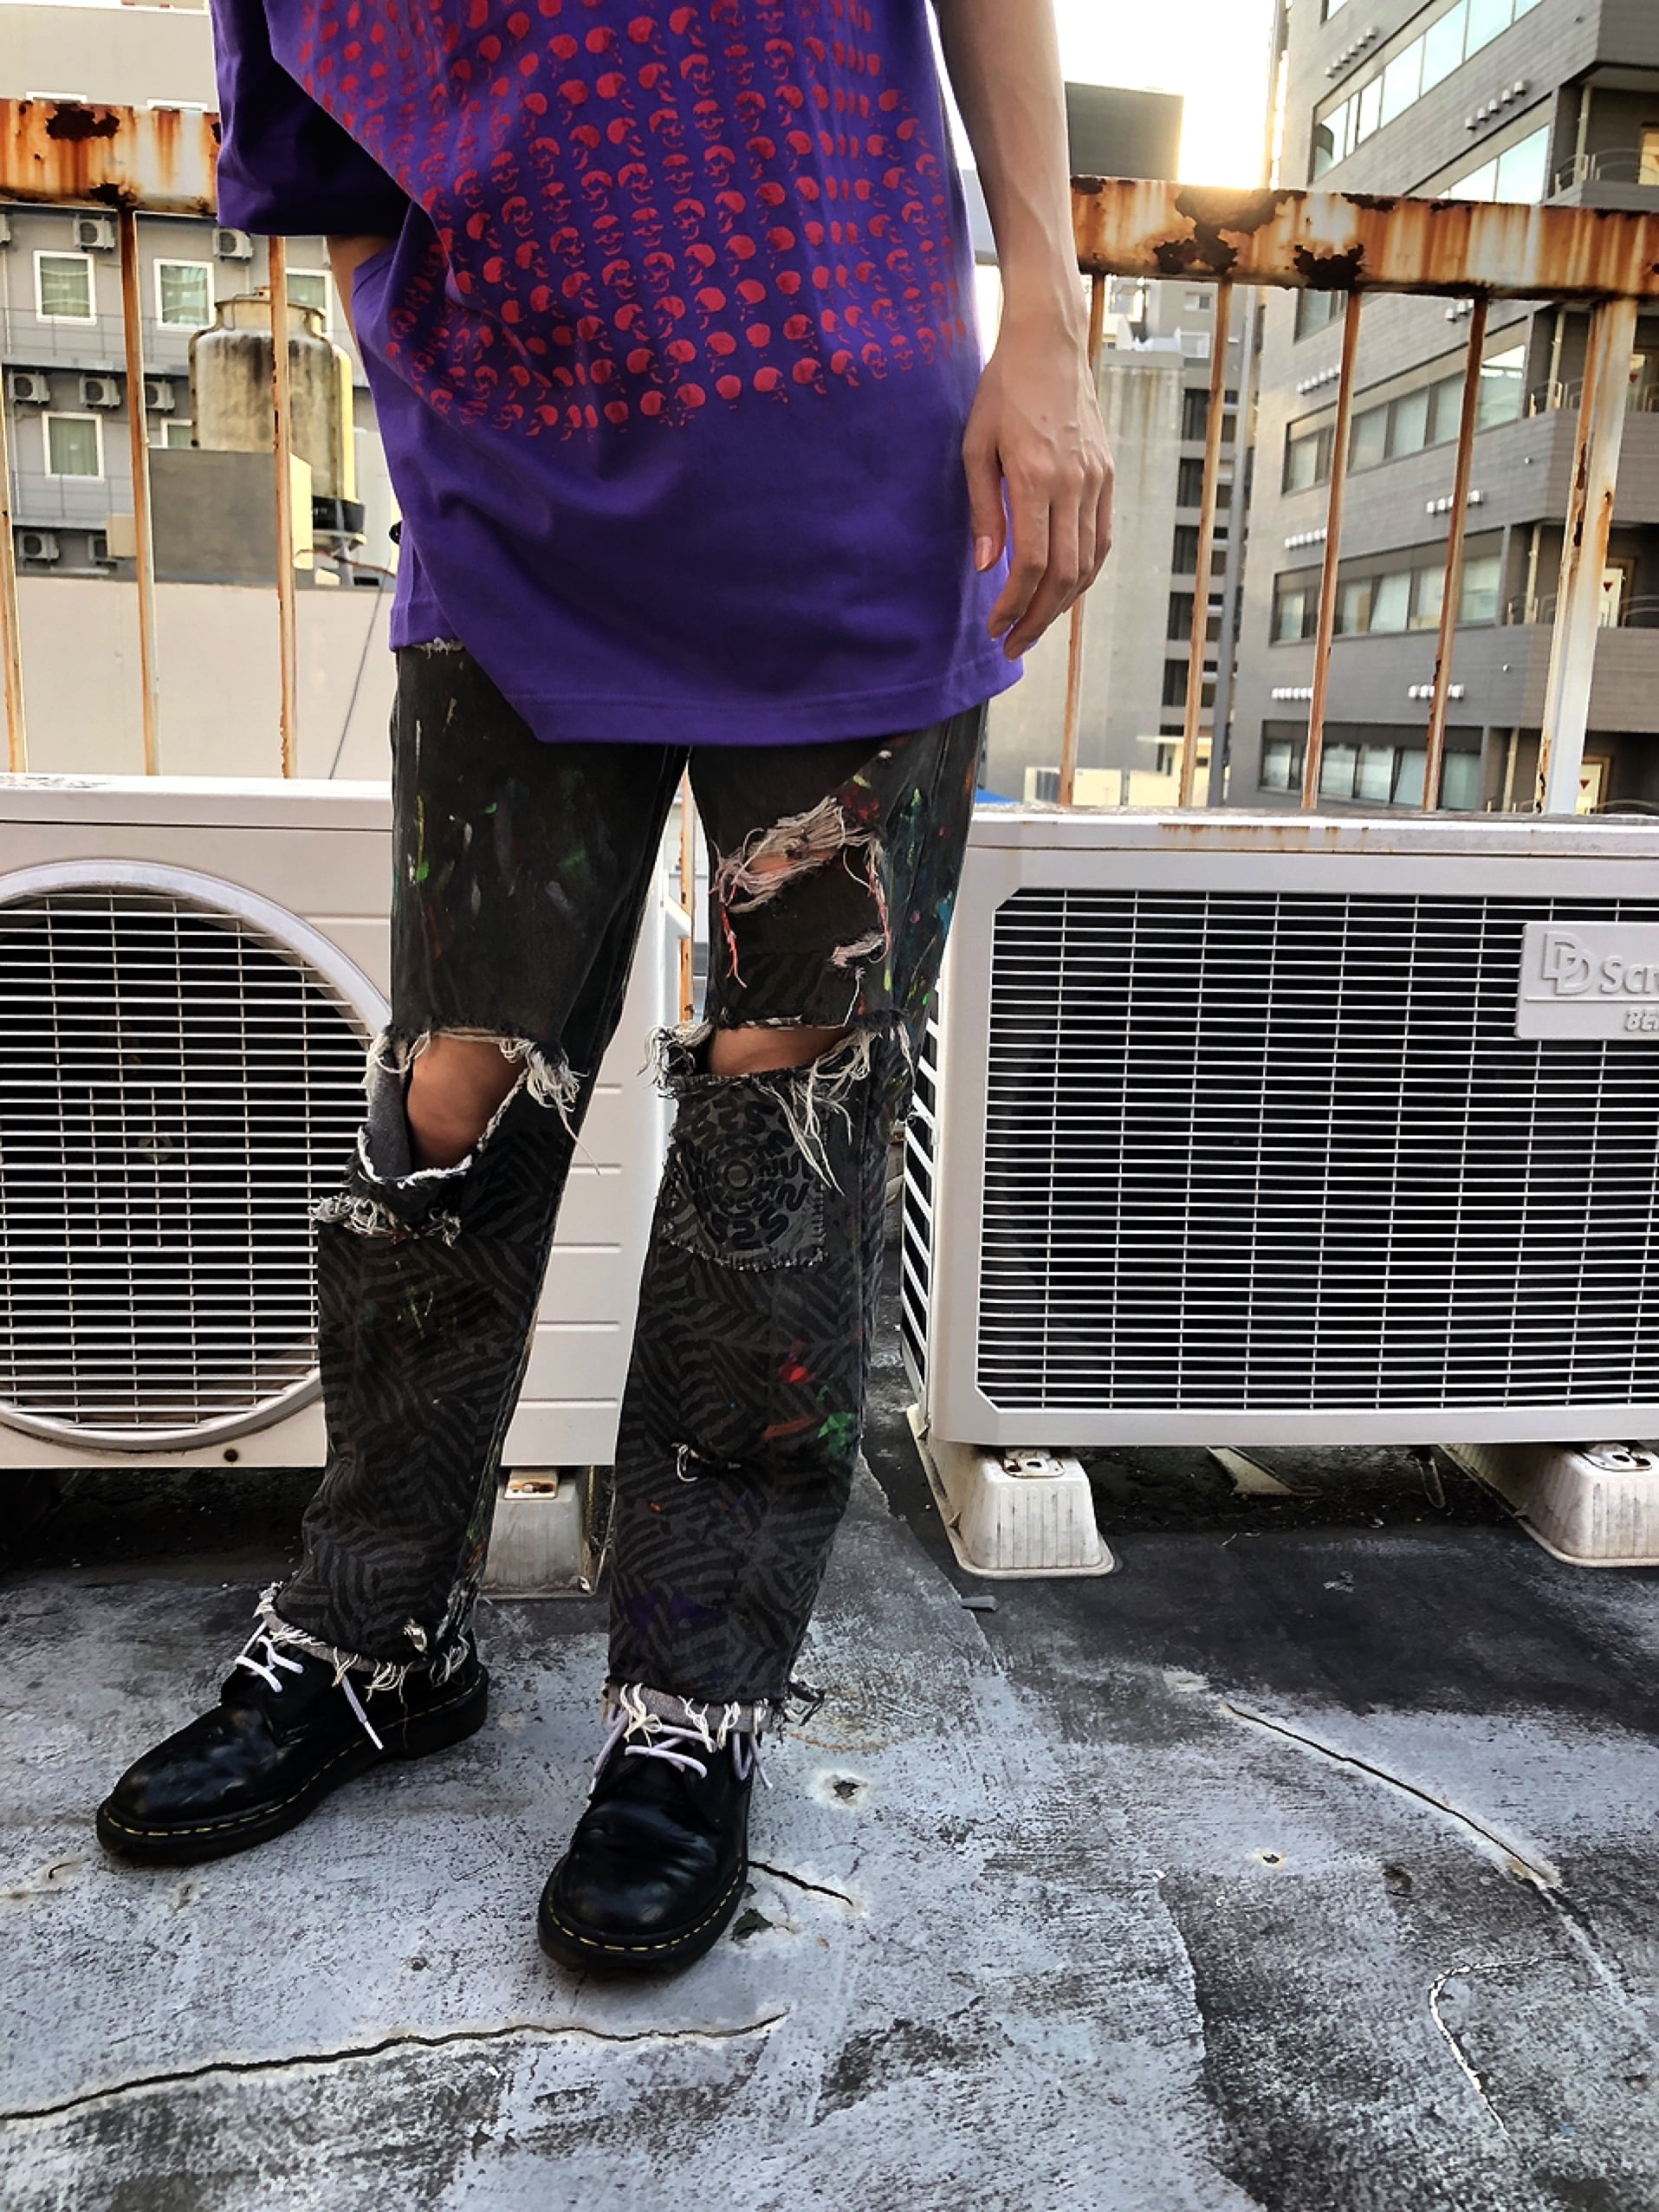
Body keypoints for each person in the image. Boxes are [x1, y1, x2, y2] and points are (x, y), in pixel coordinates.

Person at [96, 0, 1112, 1974]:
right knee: (452, 1087)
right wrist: (423, 406)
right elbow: (321, 142)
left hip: (847, 455)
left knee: (783, 1100)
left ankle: (693, 1694)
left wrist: (1048, 313)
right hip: (506, 500)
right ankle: (380, 1629)